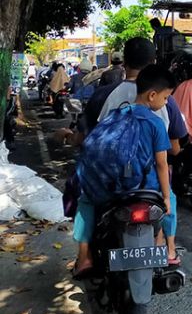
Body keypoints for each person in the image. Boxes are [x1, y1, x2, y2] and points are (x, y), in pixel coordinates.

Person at [72, 64, 177, 278]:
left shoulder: (113, 117)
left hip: (108, 189)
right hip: (145, 191)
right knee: (170, 202)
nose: (166, 102)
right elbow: (162, 165)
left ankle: (84, 258)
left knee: (85, 201)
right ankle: (167, 250)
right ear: (152, 95)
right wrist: (166, 197)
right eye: (165, 98)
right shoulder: (155, 123)